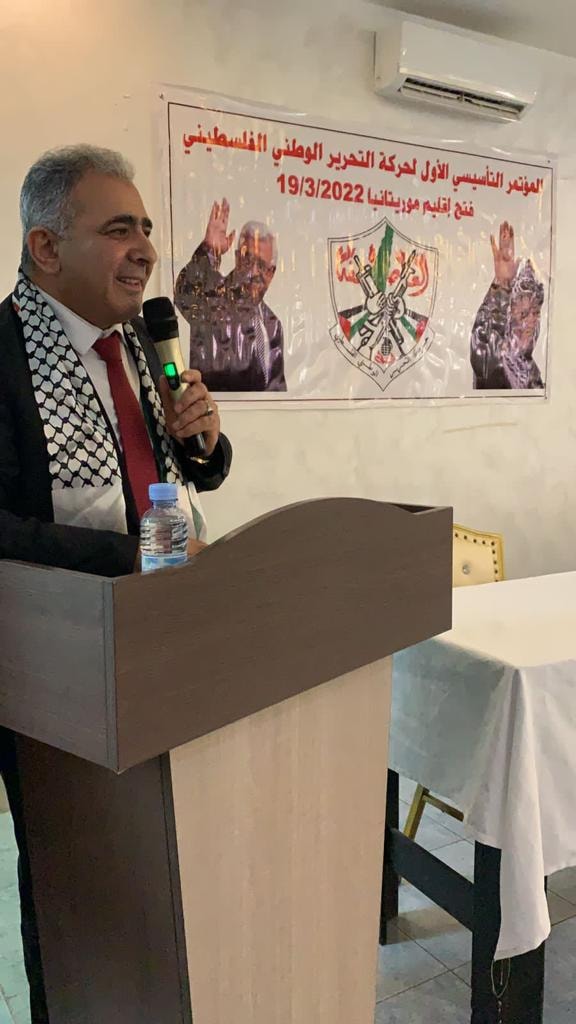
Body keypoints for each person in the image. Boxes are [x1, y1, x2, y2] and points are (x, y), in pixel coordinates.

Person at [0, 144, 232, 1022]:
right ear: (46, 247)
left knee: (166, 854)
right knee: (77, 875)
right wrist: (125, 559)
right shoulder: (3, 354)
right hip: (57, 665)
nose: (145, 251)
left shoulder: (140, 345)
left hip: (166, 635)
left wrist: (204, 440)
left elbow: (184, 476)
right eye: (118, 229)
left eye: (146, 229)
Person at [175, 198, 286, 391]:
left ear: (271, 272)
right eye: (247, 259)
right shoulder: (212, 298)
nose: (252, 272)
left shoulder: (273, 324)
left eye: (261, 265)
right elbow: (185, 294)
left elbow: (276, 387)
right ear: (236, 258)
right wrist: (209, 251)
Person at [470, 221, 545, 389]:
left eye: (536, 313)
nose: (531, 321)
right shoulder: (493, 362)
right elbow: (483, 343)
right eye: (524, 314)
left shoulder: (531, 370)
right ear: (509, 317)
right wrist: (502, 285)